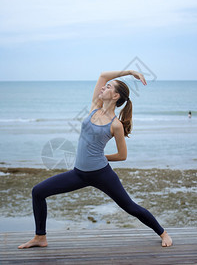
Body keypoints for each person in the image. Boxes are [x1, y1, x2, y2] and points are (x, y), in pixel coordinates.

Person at [18, 70, 172, 249]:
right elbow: (103, 76)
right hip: (79, 173)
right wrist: (130, 72)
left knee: (130, 207)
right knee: (38, 191)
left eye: (108, 88)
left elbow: (122, 156)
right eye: (105, 87)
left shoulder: (116, 125)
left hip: (101, 174)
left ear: (115, 96)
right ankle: (40, 237)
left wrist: (101, 157)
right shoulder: (94, 108)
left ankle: (163, 233)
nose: (103, 88)